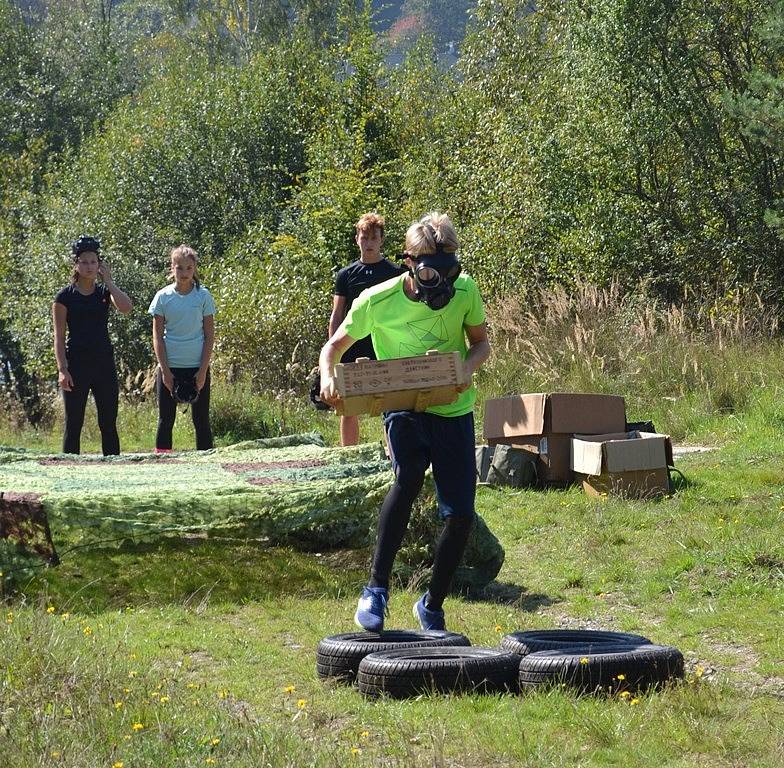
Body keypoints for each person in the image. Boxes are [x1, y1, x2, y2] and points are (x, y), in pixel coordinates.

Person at [319, 212, 491, 632]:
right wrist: (327, 376)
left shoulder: (465, 291)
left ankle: (431, 603)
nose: (443, 284)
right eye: (433, 273)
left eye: (450, 273)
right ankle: (376, 590)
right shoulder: (377, 300)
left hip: (452, 408)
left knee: (461, 514)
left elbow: (481, 344)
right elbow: (333, 348)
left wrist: (467, 367)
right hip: (401, 403)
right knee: (410, 474)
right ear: (411, 263)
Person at [52, 235, 133, 455]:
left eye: (93, 261)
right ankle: (69, 473)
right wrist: (62, 370)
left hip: (103, 364)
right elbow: (59, 337)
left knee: (108, 423)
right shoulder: (64, 297)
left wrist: (109, 281)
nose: (89, 266)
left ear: (99, 264)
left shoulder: (105, 293)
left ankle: (114, 473)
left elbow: (126, 308)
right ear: (76, 264)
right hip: (76, 365)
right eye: (85, 262)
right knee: (73, 424)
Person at [328, 212, 404, 446]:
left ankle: (393, 456)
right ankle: (348, 455)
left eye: (374, 238)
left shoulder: (396, 272)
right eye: (364, 237)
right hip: (352, 344)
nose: (369, 243)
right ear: (357, 239)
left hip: (385, 344)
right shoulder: (345, 275)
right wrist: (333, 353)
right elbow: (337, 314)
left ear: (382, 240)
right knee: (349, 405)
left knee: (389, 404)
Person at [148, 245, 215, 452]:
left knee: (201, 420)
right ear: (172, 268)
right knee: (165, 420)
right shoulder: (163, 297)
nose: (184, 273)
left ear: (194, 268)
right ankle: (162, 463)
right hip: (171, 366)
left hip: (196, 366)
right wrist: (165, 372)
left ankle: (207, 464)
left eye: (188, 268)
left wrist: (202, 372)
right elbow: (157, 336)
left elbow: (209, 335)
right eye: (180, 268)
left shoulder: (203, 296)